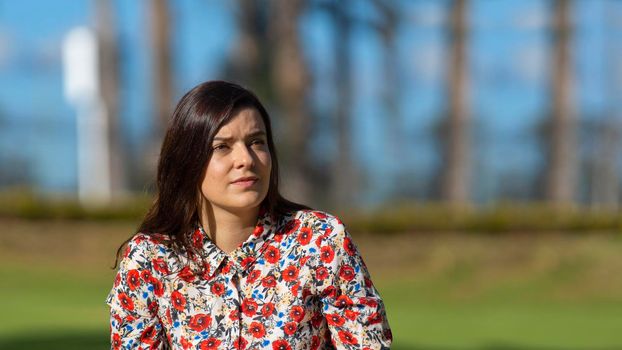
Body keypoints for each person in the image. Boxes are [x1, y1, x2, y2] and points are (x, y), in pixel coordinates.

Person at [106, 80, 392, 349]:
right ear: (187, 160)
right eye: (222, 147)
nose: (245, 160)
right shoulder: (149, 261)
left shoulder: (320, 242)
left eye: (256, 142)